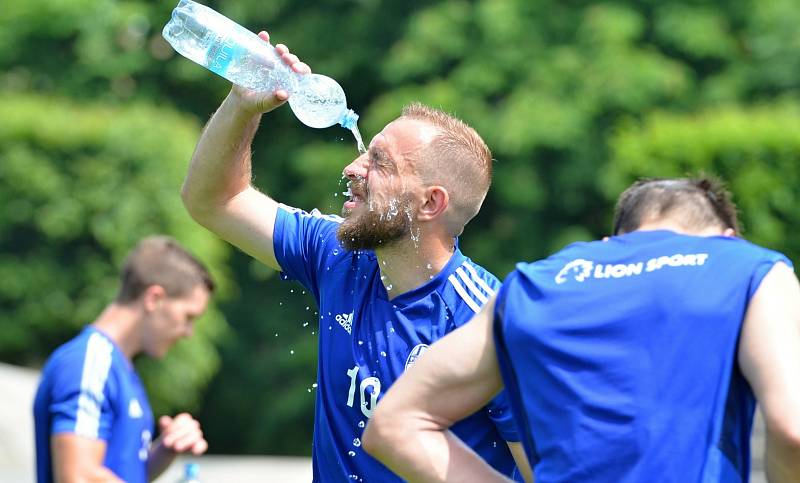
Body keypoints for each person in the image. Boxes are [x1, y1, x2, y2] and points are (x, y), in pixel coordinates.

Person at [180, 31, 531, 482]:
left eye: (380, 163)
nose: (352, 168)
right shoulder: (339, 254)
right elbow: (212, 200)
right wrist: (242, 105)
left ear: (430, 204)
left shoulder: (488, 323)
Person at [363, 177, 800, 483]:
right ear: (725, 236)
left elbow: (394, 424)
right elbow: (791, 429)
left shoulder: (534, 284)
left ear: (614, 242)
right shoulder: (747, 266)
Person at [33, 236, 214, 483]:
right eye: (188, 317)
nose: (188, 332)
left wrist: (164, 451)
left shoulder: (119, 369)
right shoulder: (89, 363)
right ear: (154, 299)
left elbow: (120, 474)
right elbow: (78, 477)